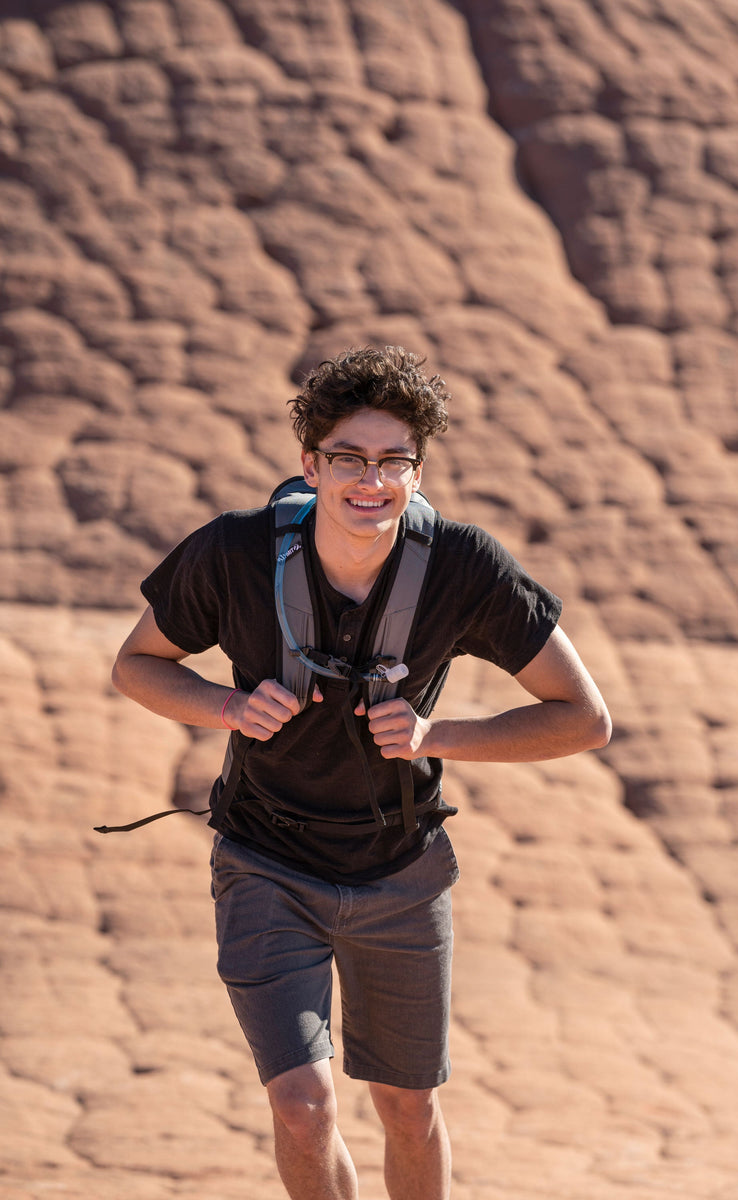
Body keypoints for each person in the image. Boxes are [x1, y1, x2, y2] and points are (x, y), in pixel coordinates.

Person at [112, 344, 611, 1200]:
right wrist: (228, 708)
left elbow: (584, 719)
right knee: (304, 1108)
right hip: (265, 861)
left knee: (408, 1107)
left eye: (393, 461)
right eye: (348, 458)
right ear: (311, 464)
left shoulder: (464, 566)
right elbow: (137, 665)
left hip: (400, 874)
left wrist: (433, 734)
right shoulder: (234, 552)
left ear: (418, 473)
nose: (369, 480)